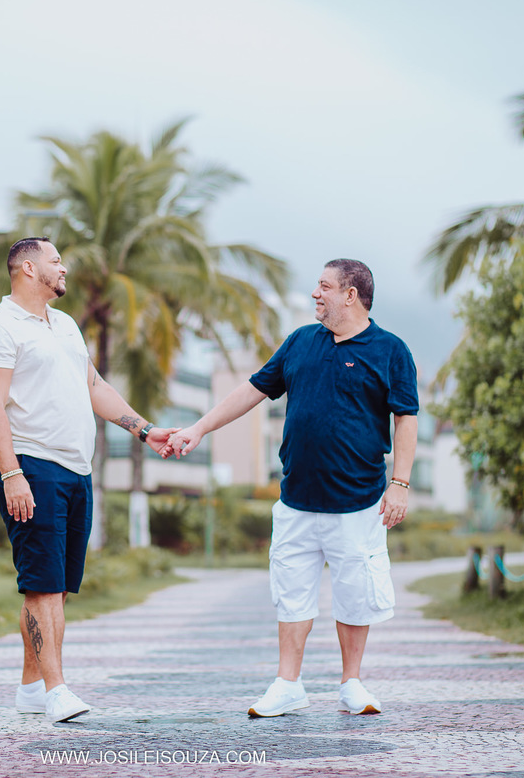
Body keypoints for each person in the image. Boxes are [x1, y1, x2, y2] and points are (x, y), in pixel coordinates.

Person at [169, 258, 418, 717]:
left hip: (358, 502)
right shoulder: (301, 341)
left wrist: (399, 484)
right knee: (291, 593)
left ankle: (352, 684)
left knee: (356, 594)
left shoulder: (391, 350)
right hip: (296, 500)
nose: (315, 294)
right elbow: (251, 391)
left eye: (324, 286)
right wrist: (199, 428)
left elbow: (406, 419)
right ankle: (288, 685)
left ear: (351, 294)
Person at [0, 237, 176, 723]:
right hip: (31, 466)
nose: (64, 268)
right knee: (42, 586)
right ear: (27, 268)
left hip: (75, 468)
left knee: (56, 586)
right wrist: (12, 474)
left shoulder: (63, 324)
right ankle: (56, 690)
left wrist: (144, 430)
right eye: (56, 260)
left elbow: (94, 386)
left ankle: (30, 687)